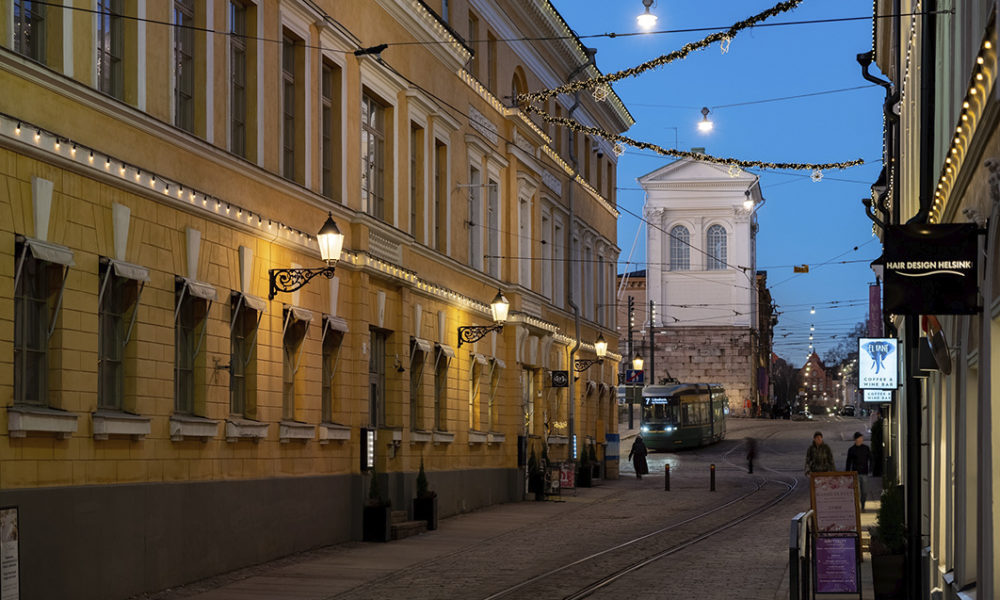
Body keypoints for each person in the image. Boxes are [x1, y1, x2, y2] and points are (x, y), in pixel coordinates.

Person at [846, 431, 873, 509]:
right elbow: (848, 462)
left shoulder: (866, 448)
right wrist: (848, 473)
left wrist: (871, 468)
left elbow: (871, 459)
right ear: (856, 439)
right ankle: (857, 506)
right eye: (859, 438)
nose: (861, 439)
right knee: (857, 491)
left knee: (864, 491)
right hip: (855, 473)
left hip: (864, 472)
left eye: (862, 438)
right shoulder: (851, 450)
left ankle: (863, 503)